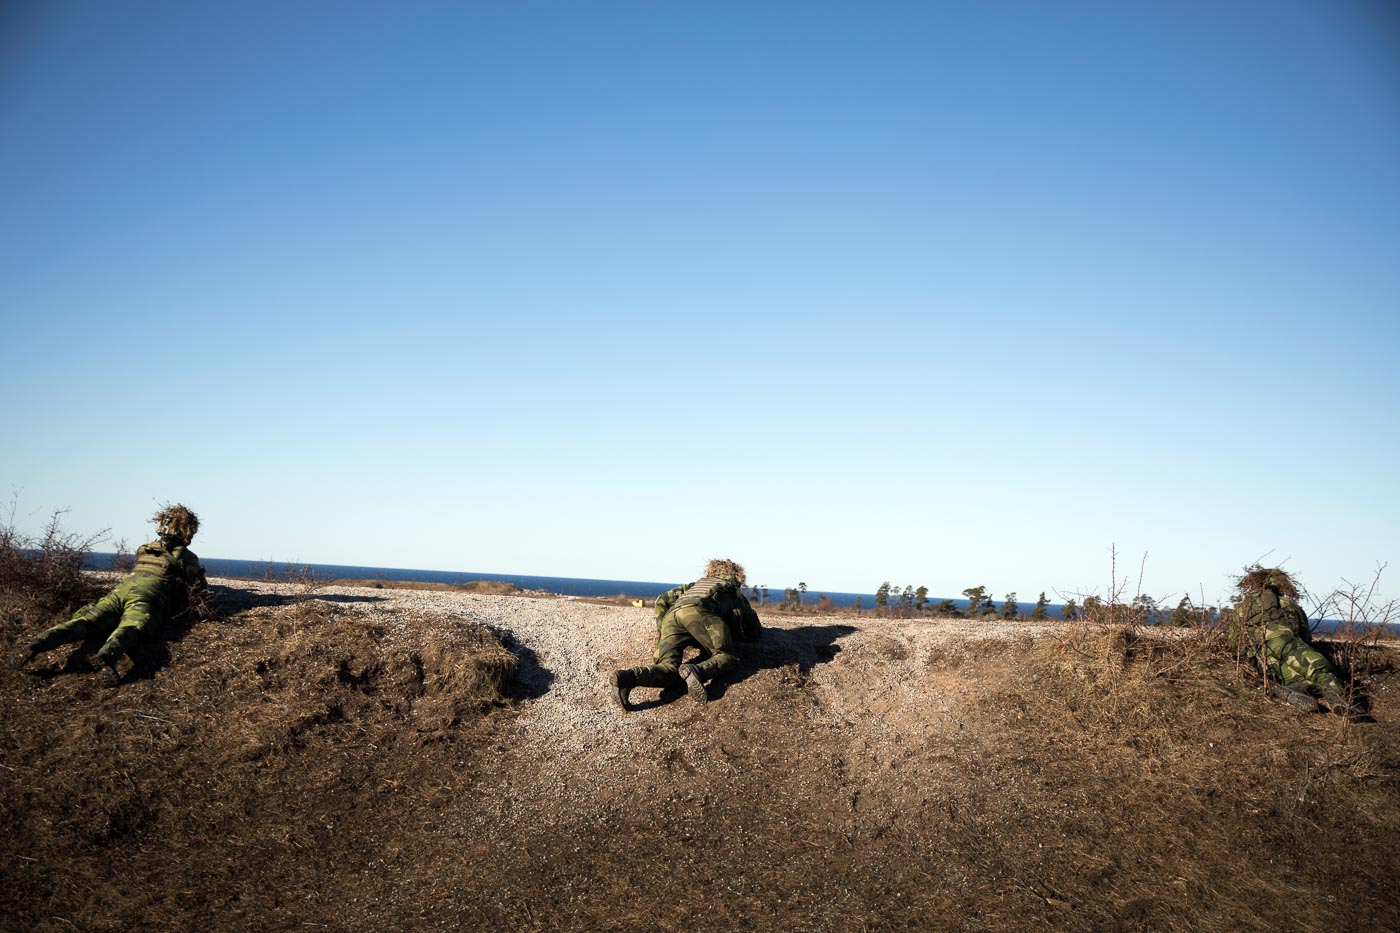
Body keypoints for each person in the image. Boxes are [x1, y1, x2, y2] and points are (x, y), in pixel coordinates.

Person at [11, 504, 207, 687]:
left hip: (120, 591)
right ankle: (107, 655)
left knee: (85, 621)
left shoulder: (144, 548)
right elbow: (198, 588)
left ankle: (37, 644)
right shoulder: (185, 556)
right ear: (187, 531)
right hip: (147, 596)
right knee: (131, 626)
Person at [609, 558, 762, 710]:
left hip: (672, 616)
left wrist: (663, 633)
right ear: (737, 577)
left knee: (668, 668)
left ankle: (629, 677)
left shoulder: (694, 586)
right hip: (701, 611)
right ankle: (698, 671)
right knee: (727, 656)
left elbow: (661, 600)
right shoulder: (732, 589)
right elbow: (753, 629)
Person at [1235, 567, 1359, 717]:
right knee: (1320, 669)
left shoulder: (1243, 608)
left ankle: (1293, 689)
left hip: (1259, 654)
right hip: (1285, 643)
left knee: (1292, 677)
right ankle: (1339, 701)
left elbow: (1234, 640)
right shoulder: (1286, 603)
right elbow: (1305, 634)